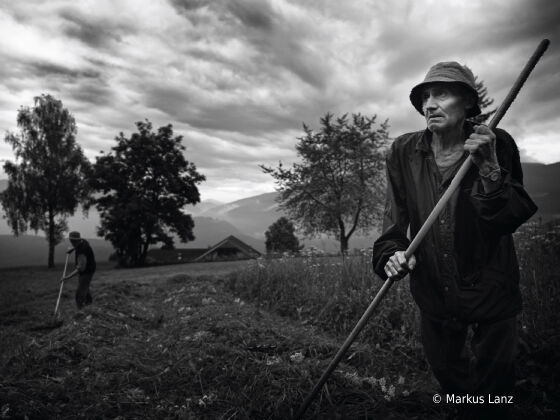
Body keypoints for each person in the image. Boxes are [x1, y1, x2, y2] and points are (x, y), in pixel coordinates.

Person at [371, 62, 537, 419]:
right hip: (433, 288)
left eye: (441, 94)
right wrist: (392, 253)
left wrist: (489, 166)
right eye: (425, 96)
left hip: (490, 284)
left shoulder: (495, 142)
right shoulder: (404, 151)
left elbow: (509, 218)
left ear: (467, 104)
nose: (429, 103)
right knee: (448, 374)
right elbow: (393, 222)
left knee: (496, 384)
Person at [63, 231, 96, 309]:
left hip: (87, 271)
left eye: (72, 241)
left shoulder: (82, 252)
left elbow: (81, 268)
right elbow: (78, 245)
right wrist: (72, 249)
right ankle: (89, 304)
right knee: (84, 287)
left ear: (75, 241)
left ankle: (81, 312)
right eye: (70, 240)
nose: (71, 242)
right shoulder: (82, 241)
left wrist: (67, 277)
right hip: (89, 267)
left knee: (79, 294)